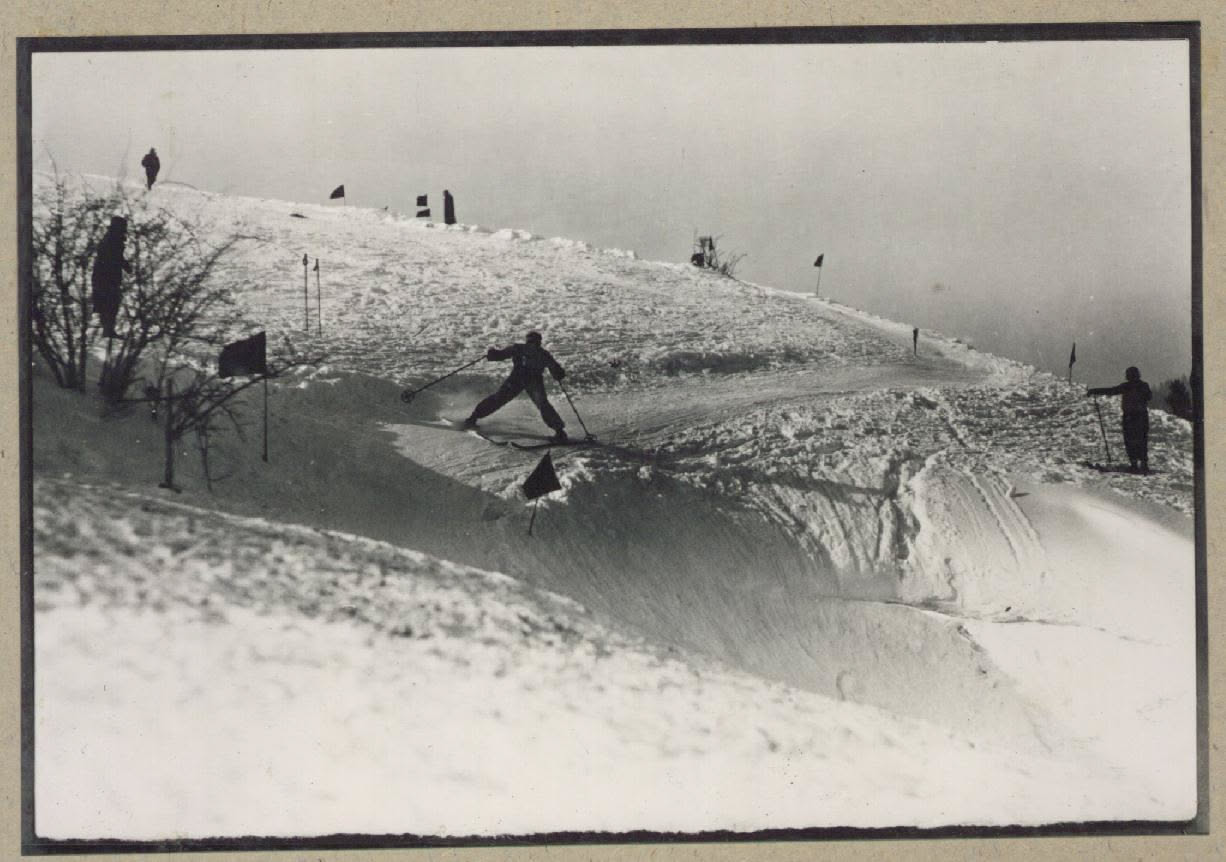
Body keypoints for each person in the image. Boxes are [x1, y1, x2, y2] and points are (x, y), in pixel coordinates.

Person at [464, 331, 567, 442]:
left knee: (501, 399)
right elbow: (556, 369)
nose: (532, 344)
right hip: (525, 379)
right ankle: (559, 431)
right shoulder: (537, 352)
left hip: (523, 379)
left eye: (534, 341)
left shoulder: (523, 349)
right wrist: (558, 373)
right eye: (532, 341)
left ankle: (473, 418)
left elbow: (501, 355)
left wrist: (493, 354)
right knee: (540, 404)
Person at [1087, 366, 1153, 473]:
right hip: (1140, 416)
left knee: (1131, 440)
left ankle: (1135, 464)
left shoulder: (1127, 386)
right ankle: (1143, 464)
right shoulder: (1143, 385)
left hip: (1131, 417)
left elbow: (1111, 391)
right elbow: (1149, 397)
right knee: (1141, 440)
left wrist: (1094, 391)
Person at [91, 216, 132, 338]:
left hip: (105, 276)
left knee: (110, 302)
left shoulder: (112, 239)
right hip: (106, 277)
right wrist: (125, 266)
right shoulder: (112, 240)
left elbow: (116, 257)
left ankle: (107, 329)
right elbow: (113, 257)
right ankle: (107, 329)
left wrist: (125, 266)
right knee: (110, 303)